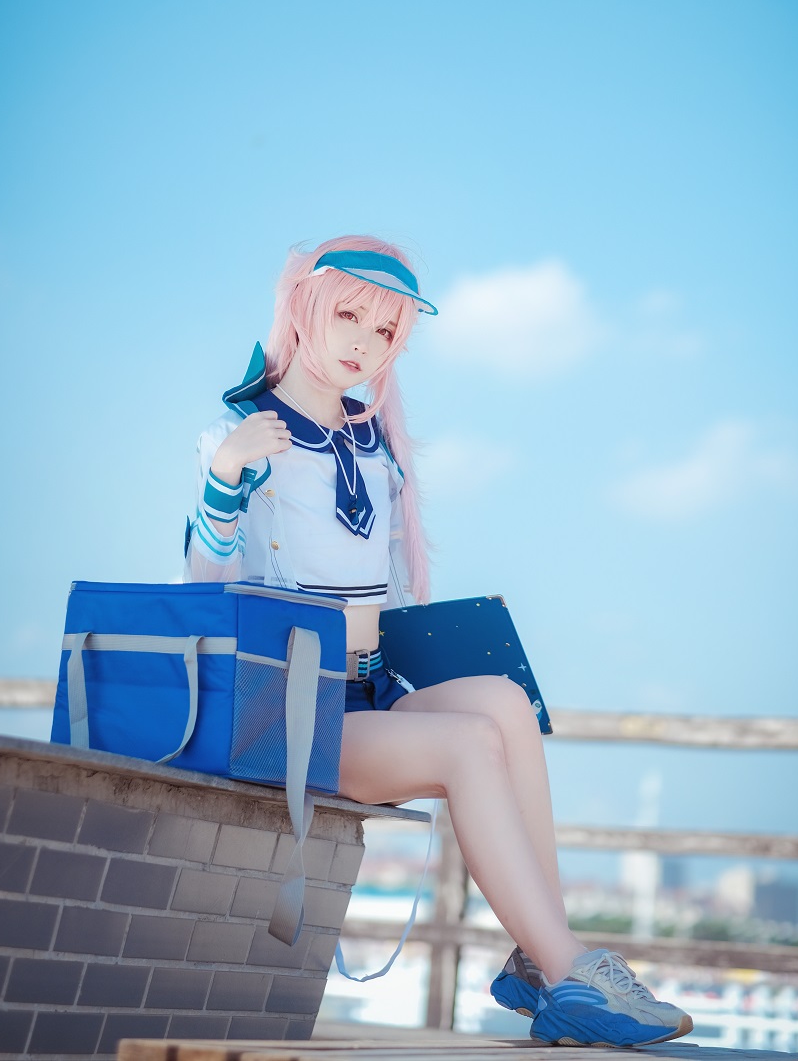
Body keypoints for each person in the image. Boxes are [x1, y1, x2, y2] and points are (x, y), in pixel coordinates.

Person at [185, 234, 693, 1048]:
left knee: (504, 703)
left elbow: (392, 595)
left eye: (386, 330)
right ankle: (570, 970)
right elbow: (197, 593)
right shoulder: (239, 432)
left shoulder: (375, 444)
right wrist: (223, 481)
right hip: (287, 709)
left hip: (369, 689)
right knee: (466, 745)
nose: (364, 342)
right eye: (349, 316)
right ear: (304, 307)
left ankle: (542, 959)